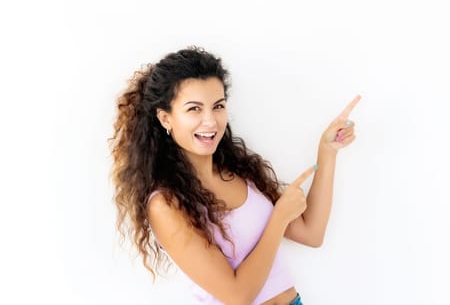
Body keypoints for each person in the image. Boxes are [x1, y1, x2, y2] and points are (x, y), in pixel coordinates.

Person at [110, 46, 360, 305]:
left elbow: (311, 233)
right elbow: (237, 296)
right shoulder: (165, 204)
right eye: (194, 109)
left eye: (217, 106)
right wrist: (279, 218)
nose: (210, 121)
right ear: (165, 118)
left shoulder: (240, 171)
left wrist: (327, 151)